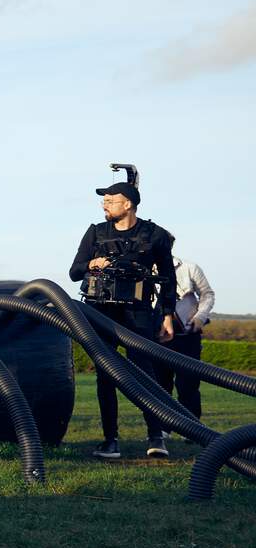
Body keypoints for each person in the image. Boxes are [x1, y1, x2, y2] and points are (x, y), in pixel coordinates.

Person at [68, 180, 178, 460]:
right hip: (101, 312)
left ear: (128, 203)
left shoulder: (155, 235)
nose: (104, 204)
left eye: (110, 200)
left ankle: (156, 437)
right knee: (106, 375)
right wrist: (92, 264)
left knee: (145, 374)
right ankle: (110, 441)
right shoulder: (95, 233)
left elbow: (169, 277)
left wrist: (167, 315)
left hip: (138, 313)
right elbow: (74, 271)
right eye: (103, 200)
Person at [157, 254, 215, 421]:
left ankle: (191, 427)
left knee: (188, 384)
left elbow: (207, 294)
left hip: (187, 334)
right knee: (160, 383)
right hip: (157, 335)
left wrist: (200, 317)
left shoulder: (190, 268)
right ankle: (163, 427)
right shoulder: (143, 269)